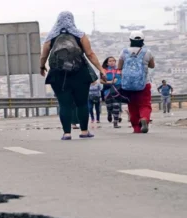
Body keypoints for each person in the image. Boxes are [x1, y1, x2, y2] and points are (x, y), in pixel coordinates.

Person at [40, 11, 106, 140]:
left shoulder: (51, 37)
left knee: (64, 104)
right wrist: (101, 69)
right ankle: (84, 131)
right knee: (81, 103)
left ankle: (67, 133)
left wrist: (42, 67)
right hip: (79, 74)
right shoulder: (80, 35)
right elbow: (90, 54)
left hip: (58, 75)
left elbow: (44, 55)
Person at [118, 30, 155, 133]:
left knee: (132, 105)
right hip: (144, 83)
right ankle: (144, 118)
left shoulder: (124, 51)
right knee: (145, 104)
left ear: (130, 40)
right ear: (143, 40)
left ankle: (136, 128)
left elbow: (119, 66)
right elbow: (152, 65)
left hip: (128, 84)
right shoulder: (147, 52)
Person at [101, 57, 122, 128]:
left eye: (113, 61)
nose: (112, 62)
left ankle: (115, 122)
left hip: (117, 90)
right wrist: (110, 82)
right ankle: (109, 113)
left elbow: (121, 78)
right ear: (107, 63)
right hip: (107, 90)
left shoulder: (118, 70)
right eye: (110, 61)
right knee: (109, 106)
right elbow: (101, 81)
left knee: (116, 105)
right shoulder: (104, 70)